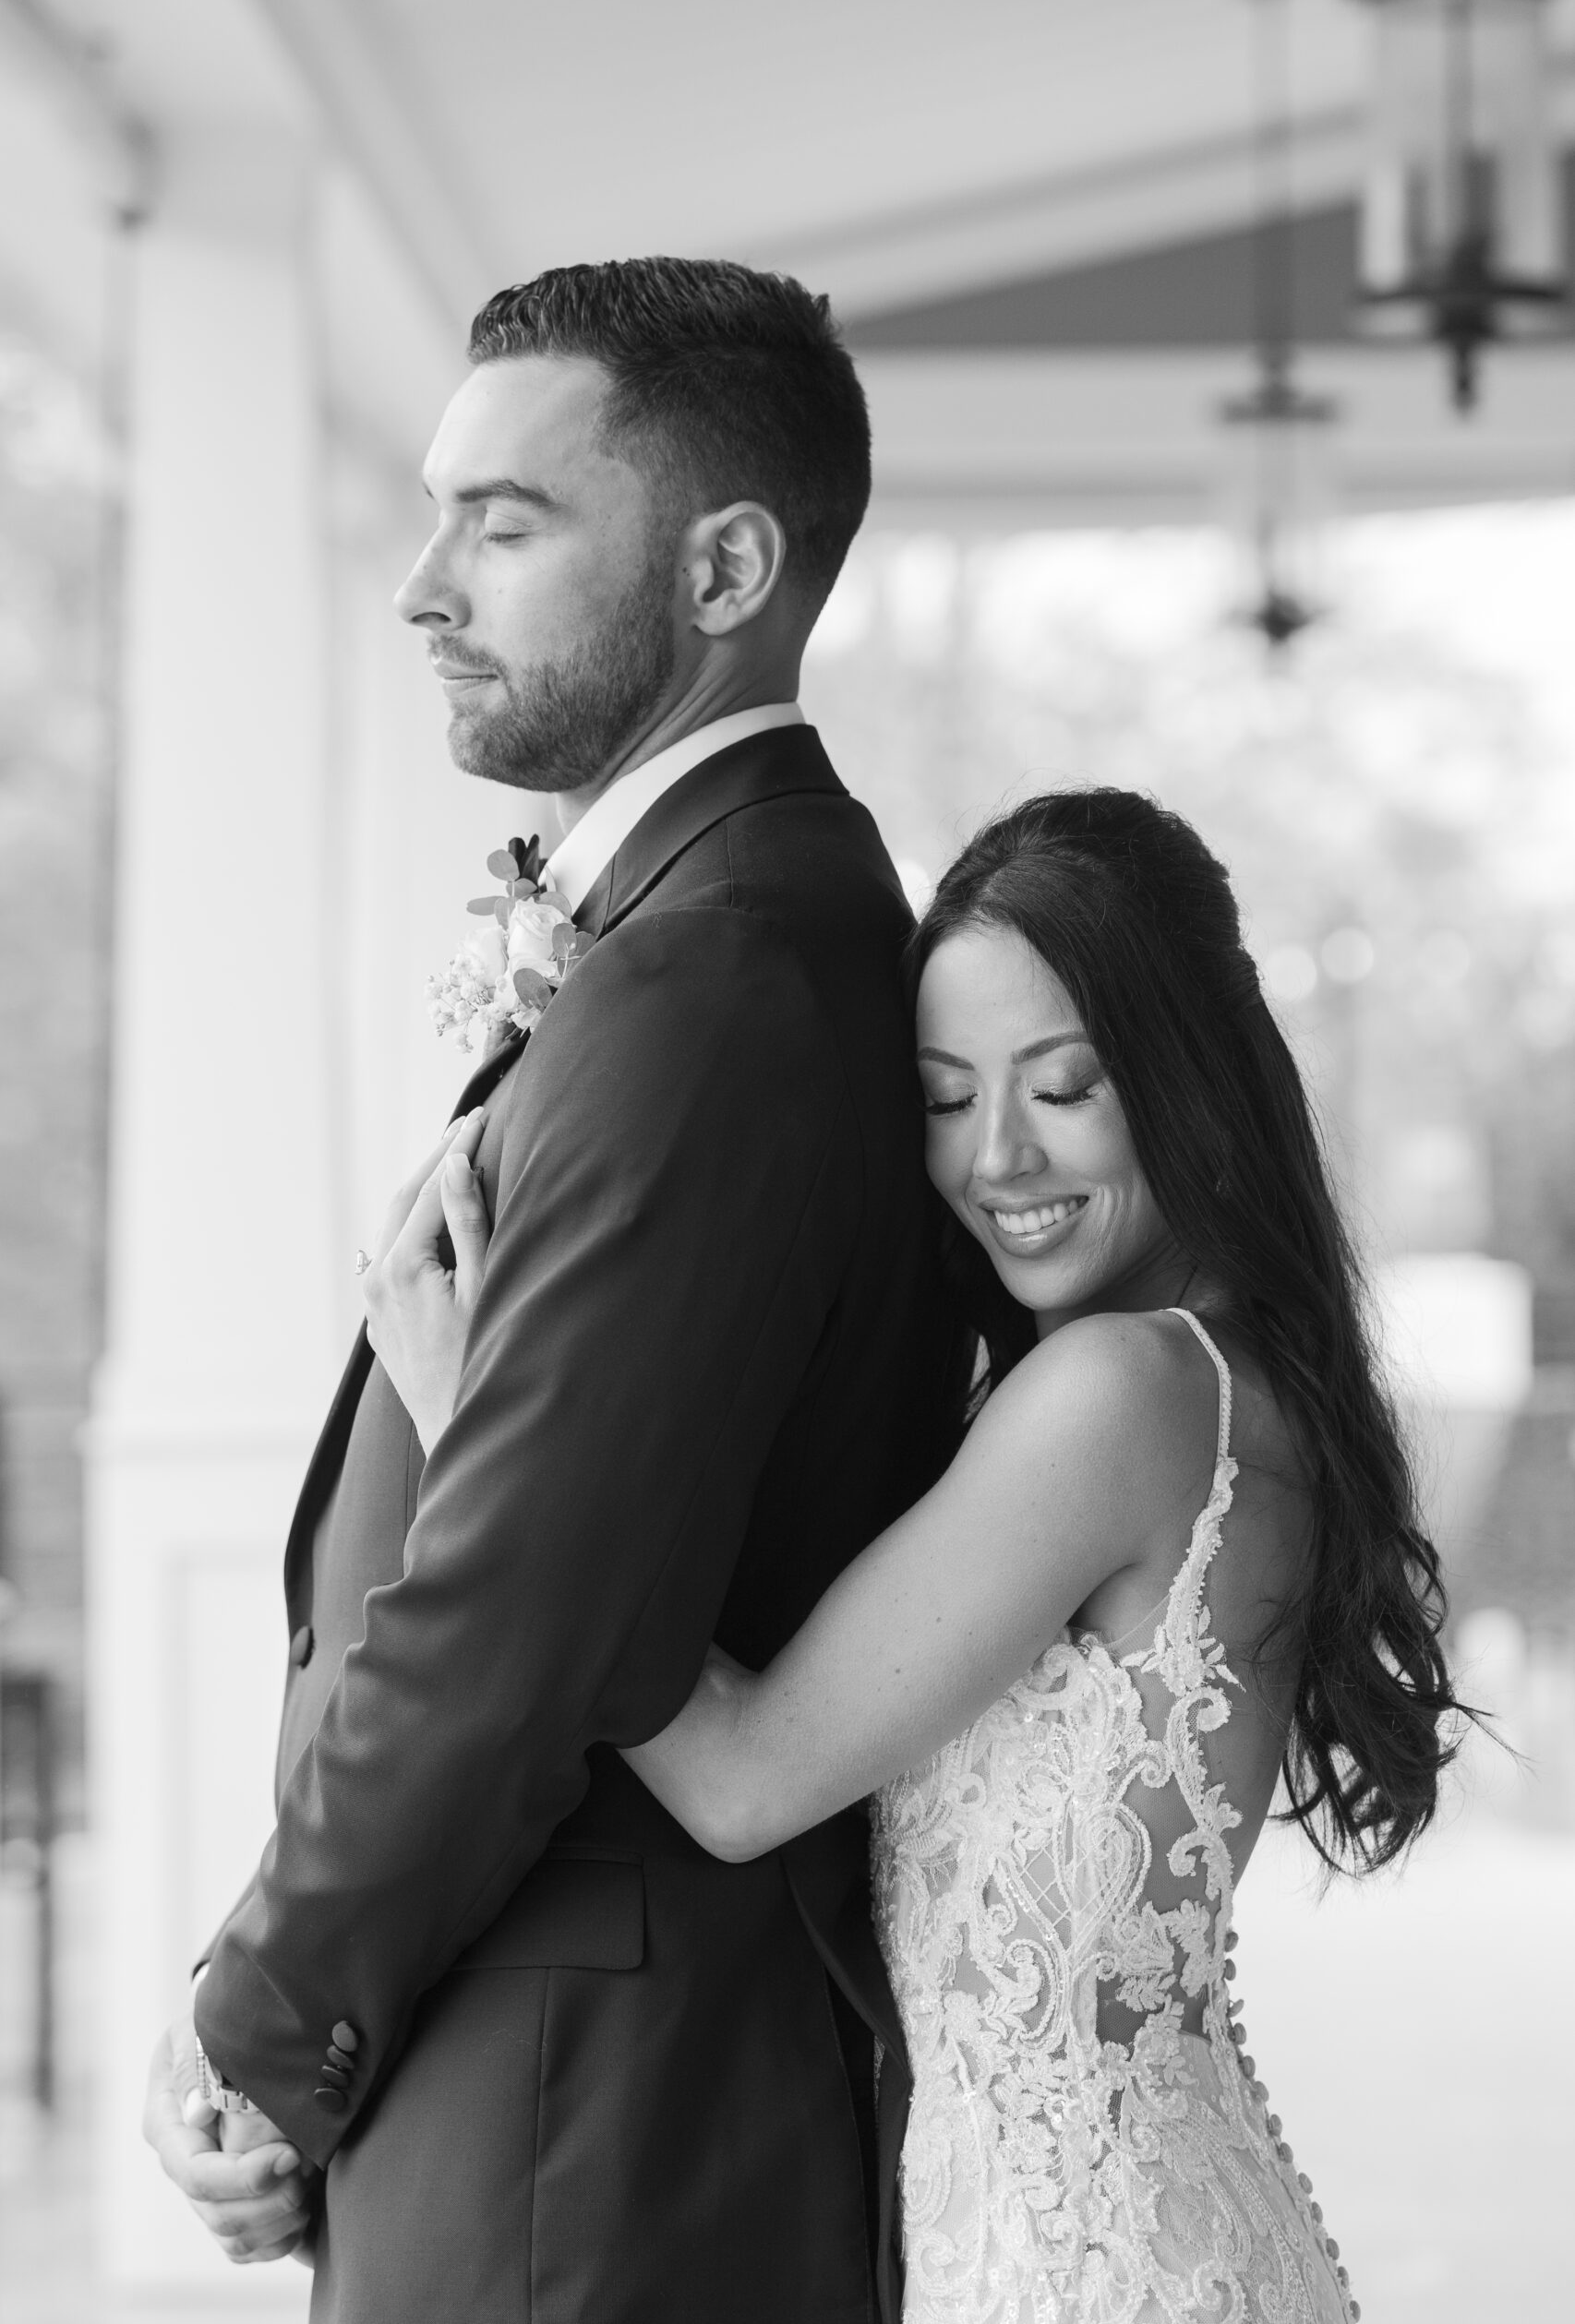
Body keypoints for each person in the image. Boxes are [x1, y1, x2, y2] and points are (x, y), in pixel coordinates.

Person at [142, 256, 962, 2323]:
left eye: (503, 525)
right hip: (541, 2070)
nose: (426, 585)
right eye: (435, 517)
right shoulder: (705, 924)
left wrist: (257, 2022)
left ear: (725, 568)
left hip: (584, 2138)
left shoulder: (720, 980)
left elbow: (518, 1612)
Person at [374, 786, 1465, 2324]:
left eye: (1065, 1087)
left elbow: (746, 1781)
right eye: (946, 1099)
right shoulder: (1226, 1376)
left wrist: (490, 1441)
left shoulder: (1118, 1397)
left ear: (1188, 1079)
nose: (998, 1157)